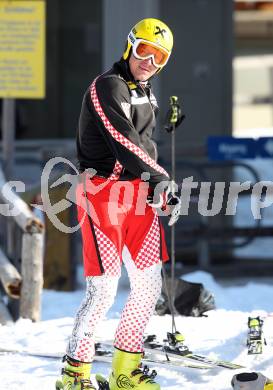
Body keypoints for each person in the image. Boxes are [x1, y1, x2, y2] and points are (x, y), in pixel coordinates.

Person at [56, 17, 181, 390]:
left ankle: (126, 369)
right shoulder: (106, 86)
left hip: (138, 196)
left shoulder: (147, 91)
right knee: (104, 288)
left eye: (159, 57)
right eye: (144, 50)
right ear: (129, 46)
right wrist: (160, 179)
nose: (149, 61)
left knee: (148, 285)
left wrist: (157, 188)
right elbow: (123, 141)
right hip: (103, 195)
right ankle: (74, 372)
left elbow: (144, 144)